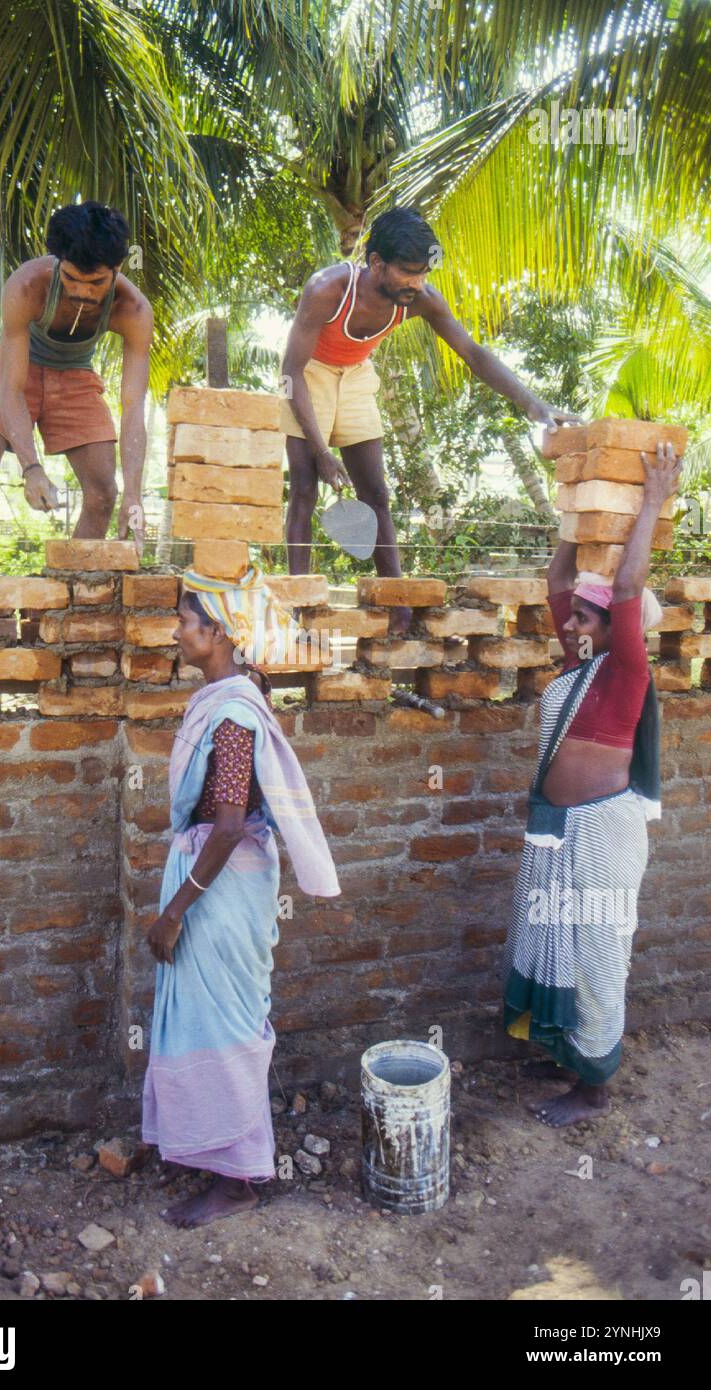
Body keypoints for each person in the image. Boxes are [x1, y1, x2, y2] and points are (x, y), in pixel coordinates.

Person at [141, 566, 340, 1228]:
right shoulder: (232, 698)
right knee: (213, 1018)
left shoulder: (230, 717)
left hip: (220, 890)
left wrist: (174, 913)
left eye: (185, 622)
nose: (176, 632)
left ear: (218, 633)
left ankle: (236, 1179)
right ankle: (212, 1149)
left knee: (223, 1025)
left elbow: (227, 827)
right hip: (221, 881)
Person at [280, 205, 579, 634]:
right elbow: (291, 371)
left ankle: (398, 608)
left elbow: (473, 353)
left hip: (357, 375)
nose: (417, 282)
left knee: (376, 494)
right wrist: (322, 451)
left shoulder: (419, 299)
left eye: (423, 272)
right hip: (307, 376)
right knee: (306, 486)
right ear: (376, 262)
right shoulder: (327, 288)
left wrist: (534, 405)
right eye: (408, 272)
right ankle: (298, 607)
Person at [501, 440, 681, 1126]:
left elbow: (628, 590)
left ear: (614, 630)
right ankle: (560, 1048)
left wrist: (654, 499)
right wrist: (574, 510)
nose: (567, 626)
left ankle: (593, 1084)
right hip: (557, 831)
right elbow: (556, 585)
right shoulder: (581, 663)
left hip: (602, 832)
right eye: (572, 619)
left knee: (598, 948)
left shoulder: (622, 671)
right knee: (551, 938)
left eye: (582, 619)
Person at [0, 201, 153, 674]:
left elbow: (133, 409)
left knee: (104, 492)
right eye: (72, 280)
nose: (84, 293)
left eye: (97, 282)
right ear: (56, 263)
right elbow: (12, 388)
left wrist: (135, 494)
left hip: (76, 379)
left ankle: (50, 623)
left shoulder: (133, 308)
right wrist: (31, 467)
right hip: (15, 371)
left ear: (118, 269)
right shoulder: (26, 286)